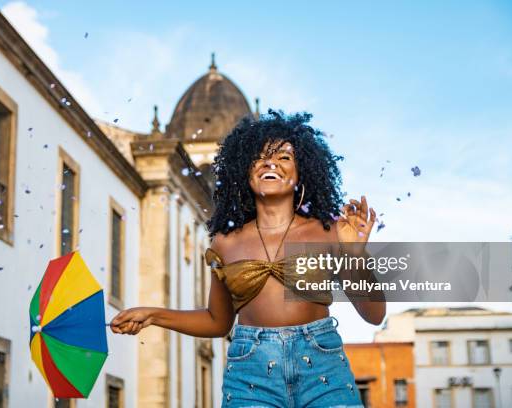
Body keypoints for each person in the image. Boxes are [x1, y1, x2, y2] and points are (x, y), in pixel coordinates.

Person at [111, 110, 386, 407]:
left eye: (284, 158)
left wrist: (356, 255)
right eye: (260, 157)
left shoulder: (329, 231)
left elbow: (374, 314)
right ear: (244, 170)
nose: (271, 163)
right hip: (250, 373)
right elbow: (217, 322)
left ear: (300, 174)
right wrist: (153, 315)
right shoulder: (225, 242)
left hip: (322, 370)